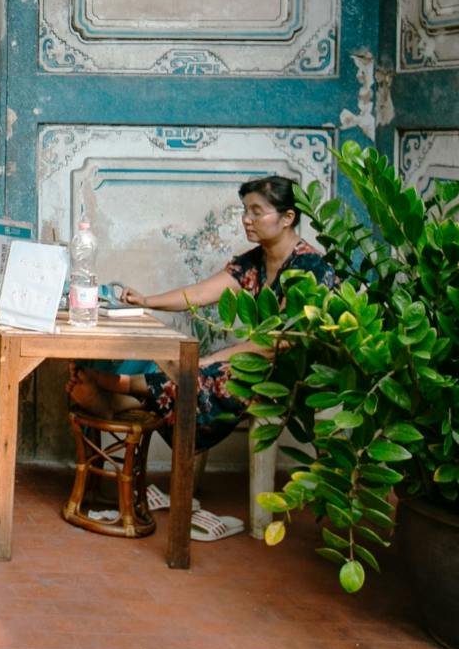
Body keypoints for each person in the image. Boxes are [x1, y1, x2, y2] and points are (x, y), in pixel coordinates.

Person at [71, 175, 338, 451]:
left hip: (300, 373)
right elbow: (199, 294)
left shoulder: (310, 269)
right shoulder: (256, 261)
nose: (247, 219)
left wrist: (203, 362)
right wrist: (146, 300)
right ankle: (125, 397)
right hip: (261, 363)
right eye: (245, 210)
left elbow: (277, 344)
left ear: (287, 218)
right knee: (192, 370)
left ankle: (118, 388)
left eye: (257, 212)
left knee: (207, 374)